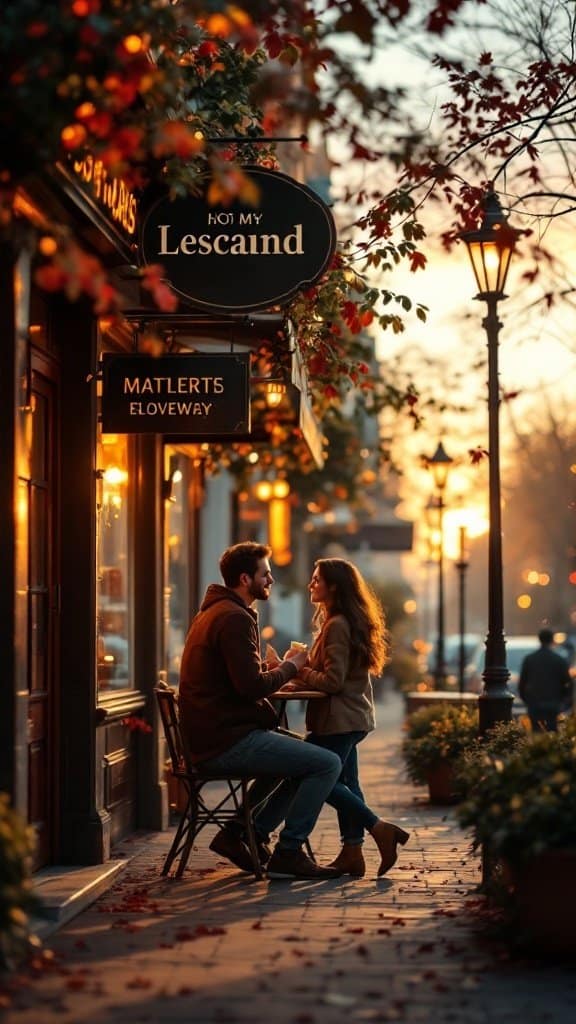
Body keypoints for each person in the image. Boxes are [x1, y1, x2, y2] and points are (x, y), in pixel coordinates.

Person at [178, 541, 342, 880]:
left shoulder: (215, 612)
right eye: (265, 575)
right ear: (244, 578)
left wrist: (273, 671)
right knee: (326, 763)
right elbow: (252, 687)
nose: (270, 581)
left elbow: (242, 681)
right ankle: (289, 851)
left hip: (216, 735)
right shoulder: (233, 618)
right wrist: (292, 666)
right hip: (224, 742)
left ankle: (238, 832)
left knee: (301, 753)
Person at [256, 557, 409, 878]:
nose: (311, 584)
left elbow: (333, 682)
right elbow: (329, 675)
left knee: (312, 775)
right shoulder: (339, 621)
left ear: (335, 586)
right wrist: (294, 671)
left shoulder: (338, 624)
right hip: (349, 718)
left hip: (339, 721)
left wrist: (298, 666)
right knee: (346, 782)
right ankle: (353, 851)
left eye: (317, 579)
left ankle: (376, 829)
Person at [518, 627, 573, 732]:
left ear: (539, 639)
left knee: (536, 731)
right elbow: (568, 682)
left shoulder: (529, 659)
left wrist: (526, 699)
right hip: (553, 703)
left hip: (534, 703)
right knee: (552, 731)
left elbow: (522, 683)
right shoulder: (559, 660)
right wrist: (564, 699)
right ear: (552, 640)